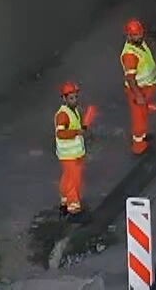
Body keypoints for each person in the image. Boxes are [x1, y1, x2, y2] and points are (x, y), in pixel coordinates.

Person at [53, 81, 96, 219]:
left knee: (67, 178)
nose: (75, 100)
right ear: (64, 99)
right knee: (74, 181)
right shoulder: (63, 115)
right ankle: (73, 208)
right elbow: (60, 133)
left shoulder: (74, 111)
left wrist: (81, 129)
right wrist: (77, 132)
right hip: (70, 155)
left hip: (71, 154)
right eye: (71, 98)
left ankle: (65, 201)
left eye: (76, 97)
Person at [120, 18, 156, 156]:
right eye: (136, 35)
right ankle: (139, 145)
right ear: (129, 36)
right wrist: (138, 95)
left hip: (146, 88)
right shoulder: (130, 55)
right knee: (139, 117)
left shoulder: (139, 44)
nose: (140, 36)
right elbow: (130, 79)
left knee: (143, 114)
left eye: (140, 33)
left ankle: (142, 136)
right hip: (139, 91)